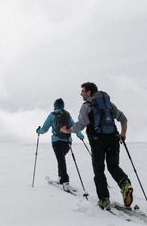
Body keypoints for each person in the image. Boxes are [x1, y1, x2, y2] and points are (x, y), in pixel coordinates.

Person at [61, 82, 133, 210]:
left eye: (82, 91)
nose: (81, 93)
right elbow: (123, 119)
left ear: (89, 92)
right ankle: (125, 184)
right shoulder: (108, 104)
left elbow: (81, 125)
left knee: (99, 170)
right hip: (113, 139)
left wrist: (68, 130)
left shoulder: (87, 106)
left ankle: (104, 200)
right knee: (113, 166)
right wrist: (123, 134)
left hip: (97, 140)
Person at [36, 98, 84, 190]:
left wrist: (38, 131)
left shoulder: (52, 115)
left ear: (55, 106)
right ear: (63, 106)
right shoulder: (67, 115)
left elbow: (44, 129)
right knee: (61, 159)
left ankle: (65, 181)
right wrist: (80, 135)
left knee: (61, 160)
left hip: (56, 141)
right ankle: (61, 178)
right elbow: (75, 126)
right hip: (67, 142)